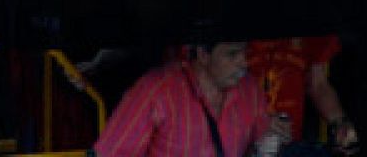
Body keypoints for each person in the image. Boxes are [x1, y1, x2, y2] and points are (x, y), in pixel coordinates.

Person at [94, 41, 283, 157]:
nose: (243, 62)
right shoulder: (157, 90)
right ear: (203, 54)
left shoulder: (249, 89)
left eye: (244, 52)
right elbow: (111, 153)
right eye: (232, 54)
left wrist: (272, 138)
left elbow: (260, 146)